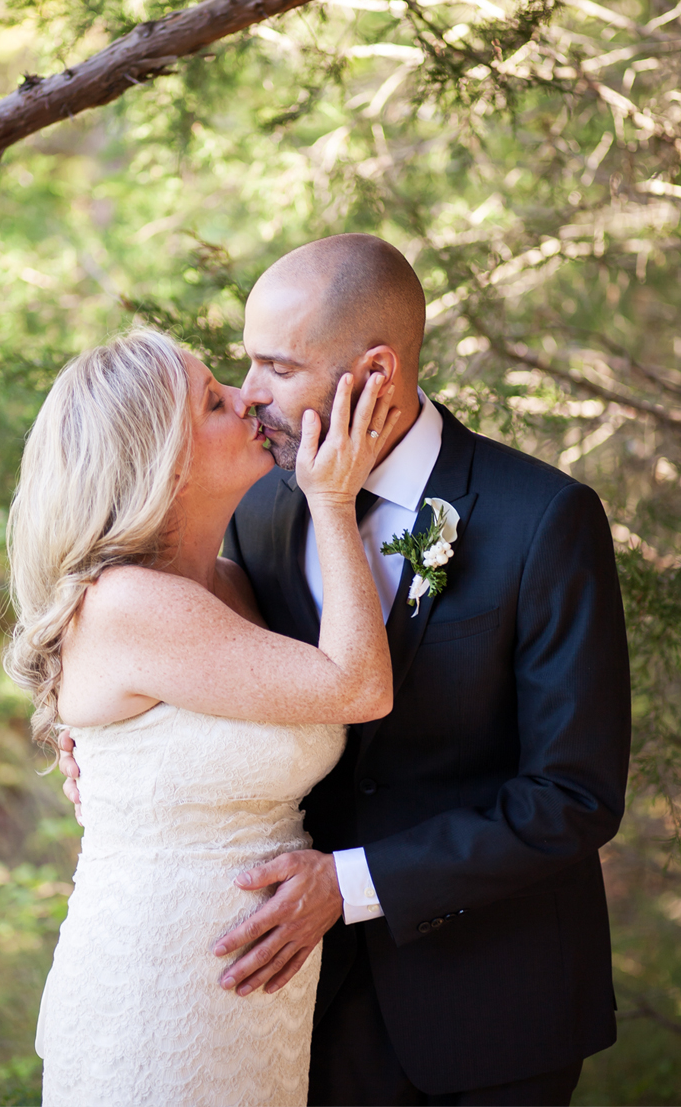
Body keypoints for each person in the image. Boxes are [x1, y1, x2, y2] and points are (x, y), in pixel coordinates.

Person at [62, 235, 631, 1105]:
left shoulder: (541, 520)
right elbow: (182, 668)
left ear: (376, 371)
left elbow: (573, 794)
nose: (249, 396)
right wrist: (107, 759)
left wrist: (352, 884)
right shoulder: (256, 508)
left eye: (275, 367)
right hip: (291, 1006)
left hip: (492, 1006)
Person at [8, 326, 398, 1105]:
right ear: (166, 460)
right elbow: (358, 687)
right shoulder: (128, 603)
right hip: (158, 994)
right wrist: (331, 497)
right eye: (215, 401)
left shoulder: (230, 584)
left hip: (252, 995)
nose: (249, 398)